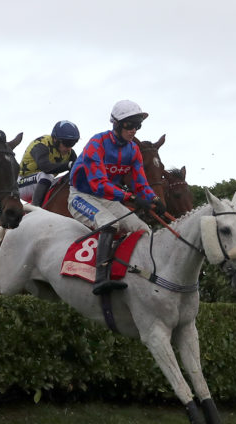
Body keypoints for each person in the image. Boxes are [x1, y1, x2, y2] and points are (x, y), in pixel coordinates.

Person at [68, 100, 166, 295]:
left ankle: (140, 276)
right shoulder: (97, 143)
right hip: (82, 195)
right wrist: (131, 198)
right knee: (110, 223)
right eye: (129, 125)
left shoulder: (133, 150)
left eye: (138, 126)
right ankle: (100, 278)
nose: (134, 130)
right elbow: (98, 183)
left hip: (107, 197)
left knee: (143, 229)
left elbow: (141, 184)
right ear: (117, 124)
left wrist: (154, 199)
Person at [18, 120, 80, 207]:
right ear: (55, 139)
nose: (69, 148)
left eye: (73, 143)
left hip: (43, 182)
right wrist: (69, 165)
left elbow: (76, 170)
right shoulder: (40, 145)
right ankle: (35, 209)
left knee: (65, 180)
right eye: (67, 143)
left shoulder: (70, 152)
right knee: (46, 175)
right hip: (21, 183)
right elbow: (46, 167)